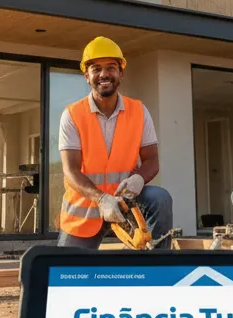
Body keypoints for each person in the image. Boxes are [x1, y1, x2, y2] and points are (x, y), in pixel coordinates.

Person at [56, 37, 173, 248]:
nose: (104, 74)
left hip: (127, 204)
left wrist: (139, 178)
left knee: (159, 198)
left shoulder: (138, 111)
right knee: (69, 276)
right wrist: (101, 199)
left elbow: (152, 160)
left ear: (121, 73)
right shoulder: (72, 115)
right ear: (86, 76)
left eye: (111, 67)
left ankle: (156, 267)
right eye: (96, 69)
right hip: (86, 210)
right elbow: (70, 170)